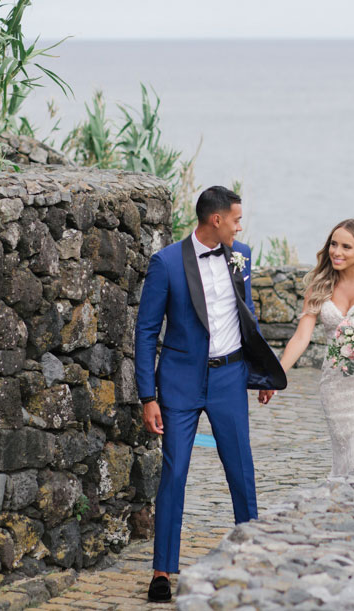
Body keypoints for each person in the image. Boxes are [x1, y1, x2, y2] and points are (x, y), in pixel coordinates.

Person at [134, 186, 286, 602]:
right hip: (180, 383)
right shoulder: (165, 263)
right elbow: (147, 331)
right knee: (175, 472)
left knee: (241, 469)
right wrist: (148, 396)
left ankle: (251, 555)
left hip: (230, 378)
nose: (241, 226)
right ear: (215, 220)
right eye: (236, 219)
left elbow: (245, 316)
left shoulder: (242, 256)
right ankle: (162, 571)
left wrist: (261, 375)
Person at [277, 218, 354, 477]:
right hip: (336, 385)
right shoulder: (319, 286)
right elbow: (301, 338)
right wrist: (277, 374)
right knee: (346, 457)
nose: (336, 252)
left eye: (346, 247)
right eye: (334, 244)